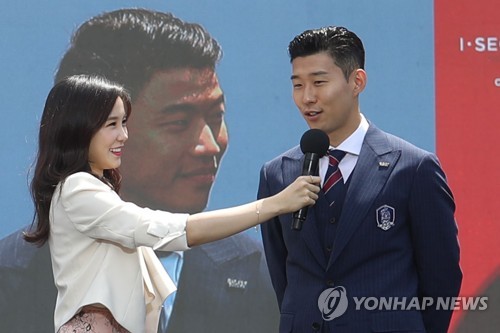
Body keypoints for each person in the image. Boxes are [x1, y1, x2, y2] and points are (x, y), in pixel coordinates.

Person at [0, 9, 279, 332]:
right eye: (178, 123)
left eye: (216, 116)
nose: (210, 146)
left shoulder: (261, 275)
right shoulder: (10, 276)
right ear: (86, 130)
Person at [24, 74, 320, 333]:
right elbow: (172, 229)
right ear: (79, 129)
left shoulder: (93, 190)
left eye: (124, 123)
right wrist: (273, 205)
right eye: (111, 125)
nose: (124, 135)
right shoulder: (78, 188)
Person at [258, 26, 462, 333]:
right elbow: (282, 275)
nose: (307, 97)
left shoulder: (412, 168)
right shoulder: (278, 173)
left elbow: (442, 275)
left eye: (319, 82)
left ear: (357, 82)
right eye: (298, 85)